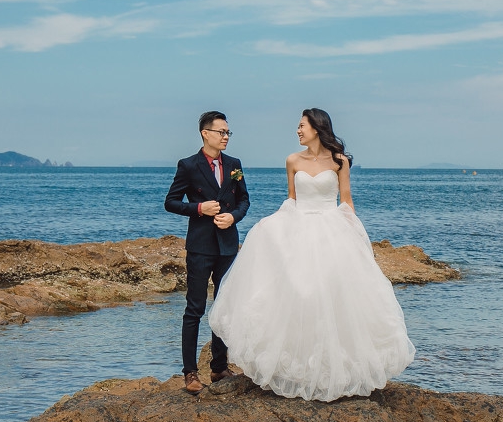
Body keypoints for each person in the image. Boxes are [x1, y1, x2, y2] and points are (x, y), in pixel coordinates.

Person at [208, 108, 414, 402]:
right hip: (300, 227)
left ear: (317, 128)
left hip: (332, 230)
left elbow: (346, 201)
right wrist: (272, 226)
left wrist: (355, 236)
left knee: (332, 297)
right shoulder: (293, 160)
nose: (298, 130)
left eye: (302, 125)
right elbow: (292, 199)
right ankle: (298, 369)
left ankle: (336, 370)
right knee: (299, 295)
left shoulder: (340, 161)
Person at [164, 110, 251, 394]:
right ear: (205, 133)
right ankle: (190, 373)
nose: (226, 137)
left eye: (228, 133)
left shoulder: (235, 164)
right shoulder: (188, 165)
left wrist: (234, 217)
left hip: (228, 245)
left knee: (224, 307)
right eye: (221, 132)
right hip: (200, 246)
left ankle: (218, 367)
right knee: (195, 309)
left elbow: (244, 200)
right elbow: (171, 202)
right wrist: (199, 208)